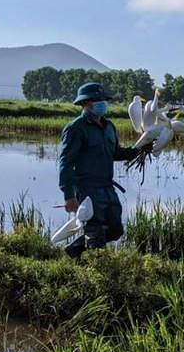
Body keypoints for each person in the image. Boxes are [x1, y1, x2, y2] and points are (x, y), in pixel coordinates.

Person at [58, 82, 143, 258]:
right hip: (87, 188)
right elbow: (66, 163)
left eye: (103, 100)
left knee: (115, 229)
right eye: (97, 100)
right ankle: (96, 268)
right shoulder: (76, 128)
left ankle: (73, 251)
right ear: (85, 103)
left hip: (107, 187)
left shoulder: (109, 127)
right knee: (95, 231)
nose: (102, 103)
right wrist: (69, 195)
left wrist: (140, 149)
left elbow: (116, 153)